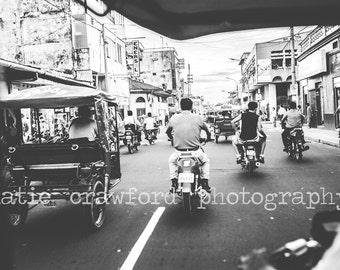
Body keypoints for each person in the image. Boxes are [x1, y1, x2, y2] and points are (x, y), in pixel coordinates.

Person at [166, 98, 212, 193]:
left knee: (171, 161)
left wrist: (172, 138)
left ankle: (174, 182)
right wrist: (207, 138)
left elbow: (168, 132)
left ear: (180, 107)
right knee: (205, 161)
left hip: (179, 153)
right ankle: (205, 182)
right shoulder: (198, 118)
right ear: (192, 107)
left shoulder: (174, 118)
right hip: (195, 152)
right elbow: (207, 132)